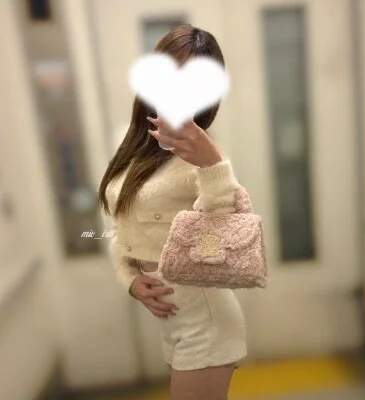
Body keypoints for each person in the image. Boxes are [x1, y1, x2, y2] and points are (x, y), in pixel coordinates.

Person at [98, 24, 249, 400]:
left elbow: (222, 238)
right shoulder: (135, 147)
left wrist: (213, 166)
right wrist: (129, 279)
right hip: (173, 318)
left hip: (206, 319)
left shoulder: (205, 155)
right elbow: (119, 226)